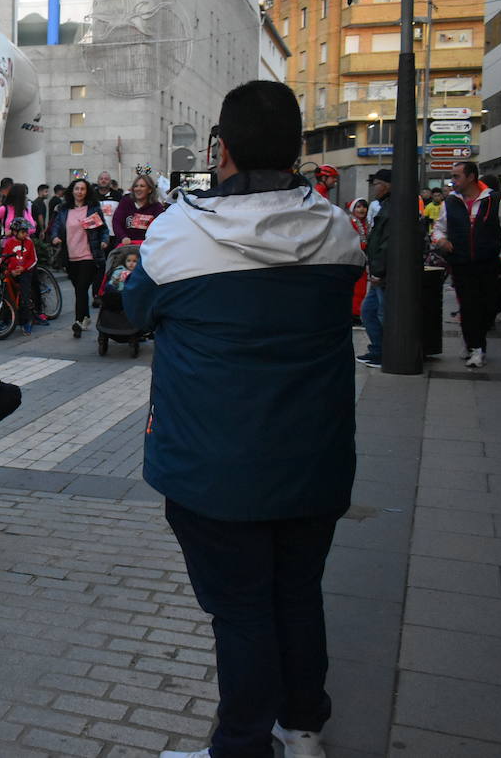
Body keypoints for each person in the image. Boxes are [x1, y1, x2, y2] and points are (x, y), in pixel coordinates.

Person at [123, 80, 364, 758]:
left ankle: (242, 745)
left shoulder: (178, 232)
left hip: (214, 466)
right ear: (295, 151)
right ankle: (304, 728)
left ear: (220, 150)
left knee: (242, 610)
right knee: (297, 593)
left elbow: (137, 309)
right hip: (314, 460)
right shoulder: (337, 232)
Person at [433, 160, 501, 369]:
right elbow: (439, 228)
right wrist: (441, 240)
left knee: (494, 303)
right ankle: (476, 348)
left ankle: (474, 339)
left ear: (471, 177)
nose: (453, 180)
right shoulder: (450, 202)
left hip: (490, 263)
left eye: (456, 176)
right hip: (462, 263)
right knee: (469, 306)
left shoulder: (495, 200)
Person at [50, 178, 108, 338]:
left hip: (89, 255)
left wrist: (104, 241)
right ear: (72, 191)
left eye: (83, 189)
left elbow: (103, 229)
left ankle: (77, 321)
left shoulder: (92, 209)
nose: (80, 192)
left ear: (87, 191)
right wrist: (55, 237)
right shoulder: (63, 209)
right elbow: (55, 227)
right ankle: (86, 317)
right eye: (77, 189)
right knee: (78, 289)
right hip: (70, 256)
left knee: (81, 288)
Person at [357, 170, 391, 368]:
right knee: (368, 311)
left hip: (383, 272)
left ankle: (386, 352)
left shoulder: (393, 206)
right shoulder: (385, 205)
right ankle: (378, 350)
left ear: (386, 185)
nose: (374, 188)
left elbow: (387, 242)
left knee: (381, 313)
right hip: (378, 270)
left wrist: (378, 271)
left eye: (376, 183)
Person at [1, 217, 38, 335]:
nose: (26, 234)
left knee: (24, 297)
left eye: (26, 231)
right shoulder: (9, 243)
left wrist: (24, 268)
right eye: (23, 232)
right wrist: (9, 270)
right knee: (6, 294)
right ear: (15, 232)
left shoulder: (29, 242)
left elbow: (33, 259)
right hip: (12, 272)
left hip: (25, 272)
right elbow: (5, 258)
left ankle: (26, 322)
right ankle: (6, 319)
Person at [112, 174, 168, 245]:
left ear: (150, 190)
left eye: (142, 186)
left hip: (148, 246)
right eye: (136, 186)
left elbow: (161, 227)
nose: (138, 189)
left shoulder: (157, 207)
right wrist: (123, 237)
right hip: (126, 246)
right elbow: (116, 222)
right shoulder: (125, 202)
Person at [347, 198, 370, 325]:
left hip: (363, 260)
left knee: (361, 289)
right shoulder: (351, 223)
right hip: (354, 259)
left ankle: (356, 313)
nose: (362, 210)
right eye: (358, 207)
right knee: (356, 289)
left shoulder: (365, 223)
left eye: (364, 207)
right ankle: (354, 314)